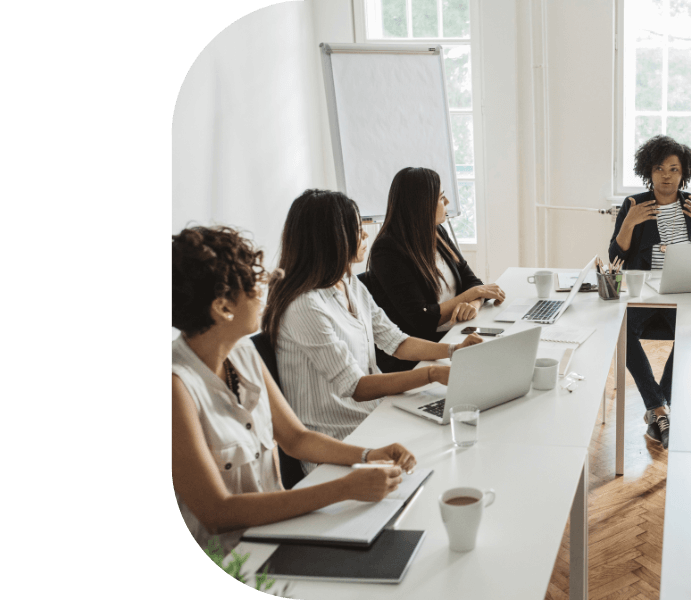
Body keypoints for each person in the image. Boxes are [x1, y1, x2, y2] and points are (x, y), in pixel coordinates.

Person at [172, 225, 419, 554]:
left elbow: (296, 439)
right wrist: (343, 488)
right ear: (223, 307)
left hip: (280, 531)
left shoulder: (241, 350)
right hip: (236, 558)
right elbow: (218, 513)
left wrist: (367, 455)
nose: (264, 290)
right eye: (253, 284)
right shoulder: (178, 386)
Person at [261, 189, 483, 469]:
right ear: (331, 239)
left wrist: (453, 350)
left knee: (462, 435)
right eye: (357, 228)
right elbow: (356, 387)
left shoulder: (348, 282)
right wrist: (432, 373)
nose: (366, 234)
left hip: (375, 418)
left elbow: (395, 341)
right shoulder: (304, 305)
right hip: (340, 444)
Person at [608, 135, 691, 449]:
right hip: (644, 292)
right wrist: (628, 223)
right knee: (622, 331)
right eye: (659, 169)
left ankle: (657, 408)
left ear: (684, 173)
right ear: (649, 172)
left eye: (673, 169)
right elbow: (616, 255)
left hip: (683, 292)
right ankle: (658, 408)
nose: (666, 175)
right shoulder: (633, 204)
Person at [363, 167, 506, 373]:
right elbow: (421, 320)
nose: (447, 203)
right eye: (441, 198)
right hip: (423, 355)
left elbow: (471, 279)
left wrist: (473, 304)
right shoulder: (387, 250)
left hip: (455, 334)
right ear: (421, 205)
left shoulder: (436, 232)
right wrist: (473, 294)